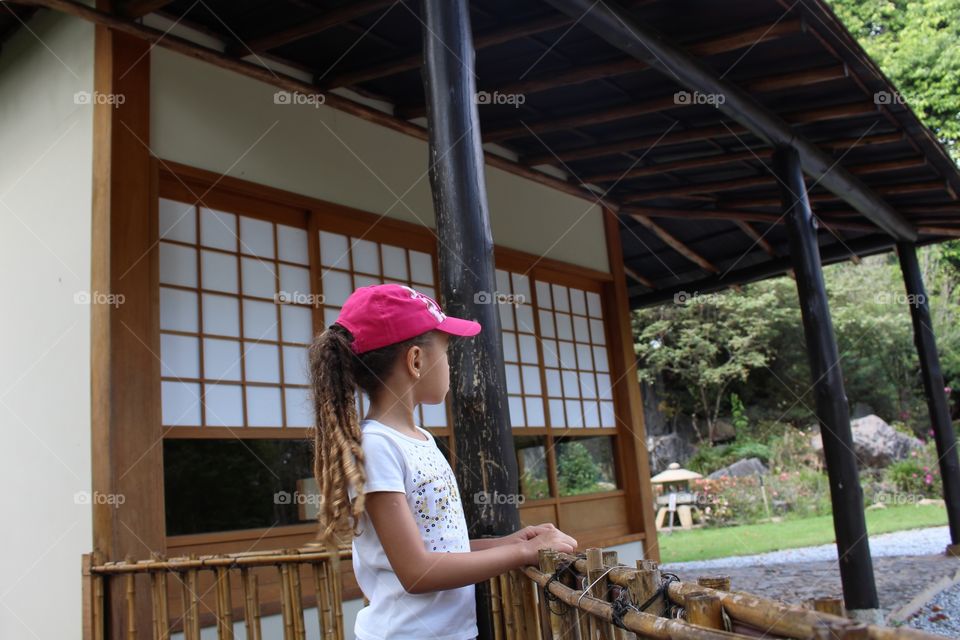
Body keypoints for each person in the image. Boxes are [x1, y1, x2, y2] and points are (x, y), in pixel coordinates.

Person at [308, 283, 577, 640]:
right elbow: (417, 571)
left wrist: (511, 542)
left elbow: (442, 548)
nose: (450, 364)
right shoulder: (377, 446)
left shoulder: (422, 439)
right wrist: (522, 553)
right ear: (416, 361)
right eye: (447, 352)